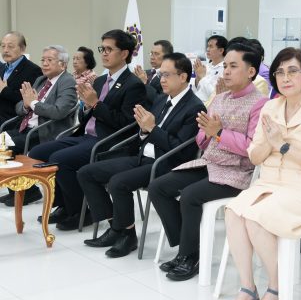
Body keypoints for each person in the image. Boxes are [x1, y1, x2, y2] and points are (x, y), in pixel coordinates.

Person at [223, 47, 301, 300]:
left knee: (256, 219)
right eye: (280, 72)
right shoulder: (271, 107)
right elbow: (255, 156)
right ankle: (248, 287)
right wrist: (267, 142)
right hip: (270, 184)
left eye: (293, 71)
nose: (285, 78)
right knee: (233, 212)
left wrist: (282, 145)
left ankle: (276, 289)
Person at [148, 43, 267, 281]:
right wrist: (207, 133)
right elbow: (202, 138)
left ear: (251, 71)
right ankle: (188, 247)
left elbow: (252, 148)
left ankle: (189, 255)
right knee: (158, 187)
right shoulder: (219, 98)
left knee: (190, 195)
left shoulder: (261, 104)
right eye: (225, 66)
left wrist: (219, 133)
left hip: (237, 172)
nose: (226, 72)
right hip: (209, 164)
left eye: (233, 66)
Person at [77, 53, 205, 258]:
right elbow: (145, 130)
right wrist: (145, 130)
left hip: (165, 163)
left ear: (183, 77)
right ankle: (117, 227)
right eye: (161, 75)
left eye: (167, 75)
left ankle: (128, 236)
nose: (161, 79)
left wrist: (152, 129)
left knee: (118, 183)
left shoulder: (195, 107)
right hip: (142, 156)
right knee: (87, 173)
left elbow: (182, 150)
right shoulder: (161, 99)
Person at [29, 29, 147, 231]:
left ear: (124, 53)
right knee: (38, 152)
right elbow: (87, 117)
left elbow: (126, 123)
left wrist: (96, 104)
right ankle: (64, 205)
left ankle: (80, 212)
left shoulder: (133, 84)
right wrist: (86, 107)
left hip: (109, 141)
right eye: (102, 49)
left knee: (61, 159)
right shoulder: (100, 81)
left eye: (109, 49)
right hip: (86, 135)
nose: (104, 53)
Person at [2, 45, 77, 207]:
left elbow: (59, 111)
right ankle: (19, 189)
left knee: (5, 145)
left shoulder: (67, 81)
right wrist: (26, 105)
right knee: (2, 142)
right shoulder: (41, 80)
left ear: (63, 64)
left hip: (45, 132)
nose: (44, 63)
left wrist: (33, 103)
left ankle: (28, 191)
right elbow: (19, 106)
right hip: (26, 128)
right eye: (43, 60)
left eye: (49, 60)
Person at [0, 31, 42, 125]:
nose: (5, 50)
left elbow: (30, 101)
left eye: (10, 46)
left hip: (13, 121)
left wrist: (5, 90)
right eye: (3, 46)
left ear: (22, 49)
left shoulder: (33, 70)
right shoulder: (1, 67)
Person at [133, 40, 173, 104]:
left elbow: (161, 101)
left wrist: (145, 83)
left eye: (156, 54)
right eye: (151, 53)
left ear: (167, 56)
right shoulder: (145, 73)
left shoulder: (171, 76)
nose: (152, 57)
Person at [192, 35, 228, 102]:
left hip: (209, 104)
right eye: (208, 46)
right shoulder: (206, 66)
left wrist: (202, 77)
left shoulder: (225, 69)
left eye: (211, 46)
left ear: (221, 50)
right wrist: (198, 77)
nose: (208, 49)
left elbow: (214, 95)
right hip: (196, 101)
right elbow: (197, 90)